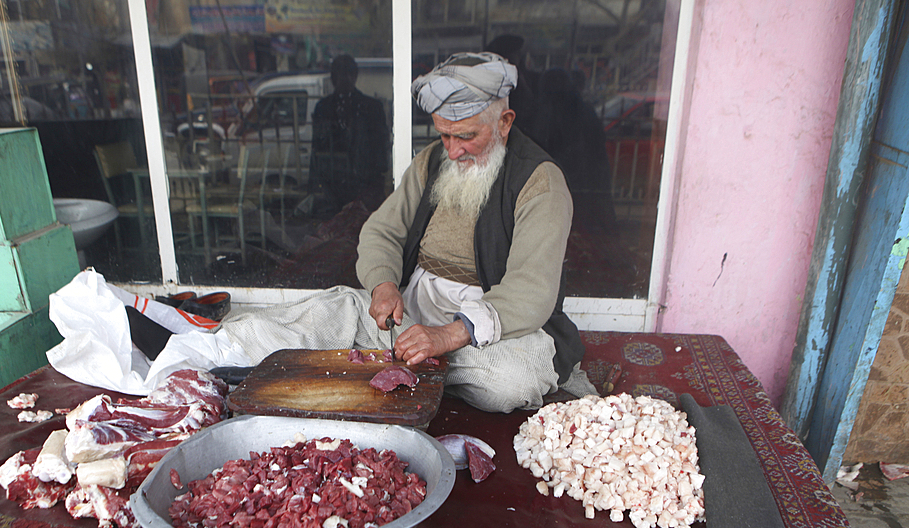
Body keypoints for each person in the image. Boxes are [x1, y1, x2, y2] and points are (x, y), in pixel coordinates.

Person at [126, 52, 595, 413]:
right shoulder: (433, 160)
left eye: (466, 136)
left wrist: (448, 336)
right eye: (444, 135)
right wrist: (386, 285)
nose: (452, 151)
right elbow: (381, 232)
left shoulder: (541, 181)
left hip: (496, 326)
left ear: (505, 122)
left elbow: (531, 292)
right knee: (329, 314)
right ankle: (197, 356)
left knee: (509, 383)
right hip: (417, 308)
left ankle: (405, 366)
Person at [310, 54, 390, 212]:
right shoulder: (323, 108)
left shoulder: (372, 107)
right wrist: (315, 187)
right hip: (331, 188)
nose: (343, 79)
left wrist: (376, 186)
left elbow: (381, 148)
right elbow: (317, 150)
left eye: (348, 74)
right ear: (333, 78)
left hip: (364, 186)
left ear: (355, 76)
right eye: (338, 74)